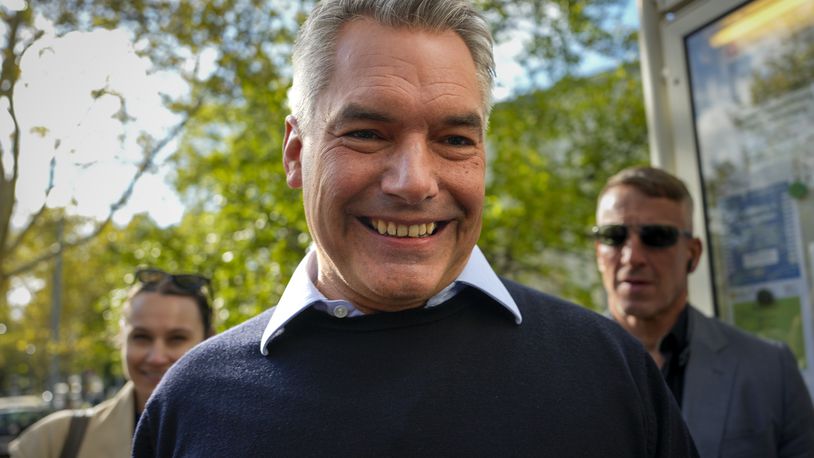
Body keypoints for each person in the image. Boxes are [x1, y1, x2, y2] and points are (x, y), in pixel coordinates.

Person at [133, 1, 698, 456]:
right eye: (367, 133)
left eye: (454, 140)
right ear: (296, 154)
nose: (414, 182)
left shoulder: (608, 371)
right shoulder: (191, 404)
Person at [593, 165, 814, 457]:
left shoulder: (771, 370)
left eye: (657, 236)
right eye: (614, 235)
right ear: (598, 252)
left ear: (693, 254)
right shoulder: (561, 367)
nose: (633, 257)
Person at [10, 268, 214, 458]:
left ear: (210, 342)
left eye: (176, 338)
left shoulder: (240, 435)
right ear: (121, 339)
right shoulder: (51, 442)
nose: (156, 357)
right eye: (141, 337)